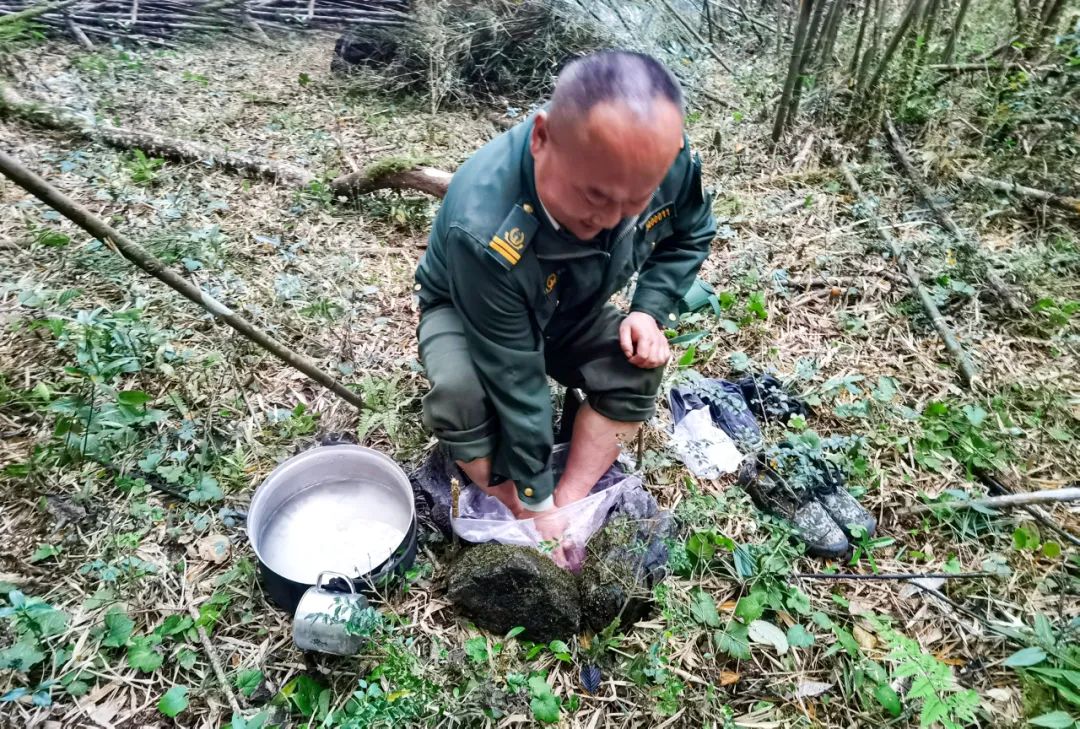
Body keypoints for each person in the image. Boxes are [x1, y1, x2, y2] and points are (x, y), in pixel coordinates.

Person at [413, 50, 716, 540]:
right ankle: (518, 511)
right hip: (469, 308)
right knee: (463, 400)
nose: (613, 219)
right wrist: (533, 496)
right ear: (541, 137)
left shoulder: (666, 162)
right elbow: (517, 374)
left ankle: (572, 503)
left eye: (634, 202)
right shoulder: (485, 227)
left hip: (571, 303)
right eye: (595, 195)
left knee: (633, 367)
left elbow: (692, 232)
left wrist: (647, 310)